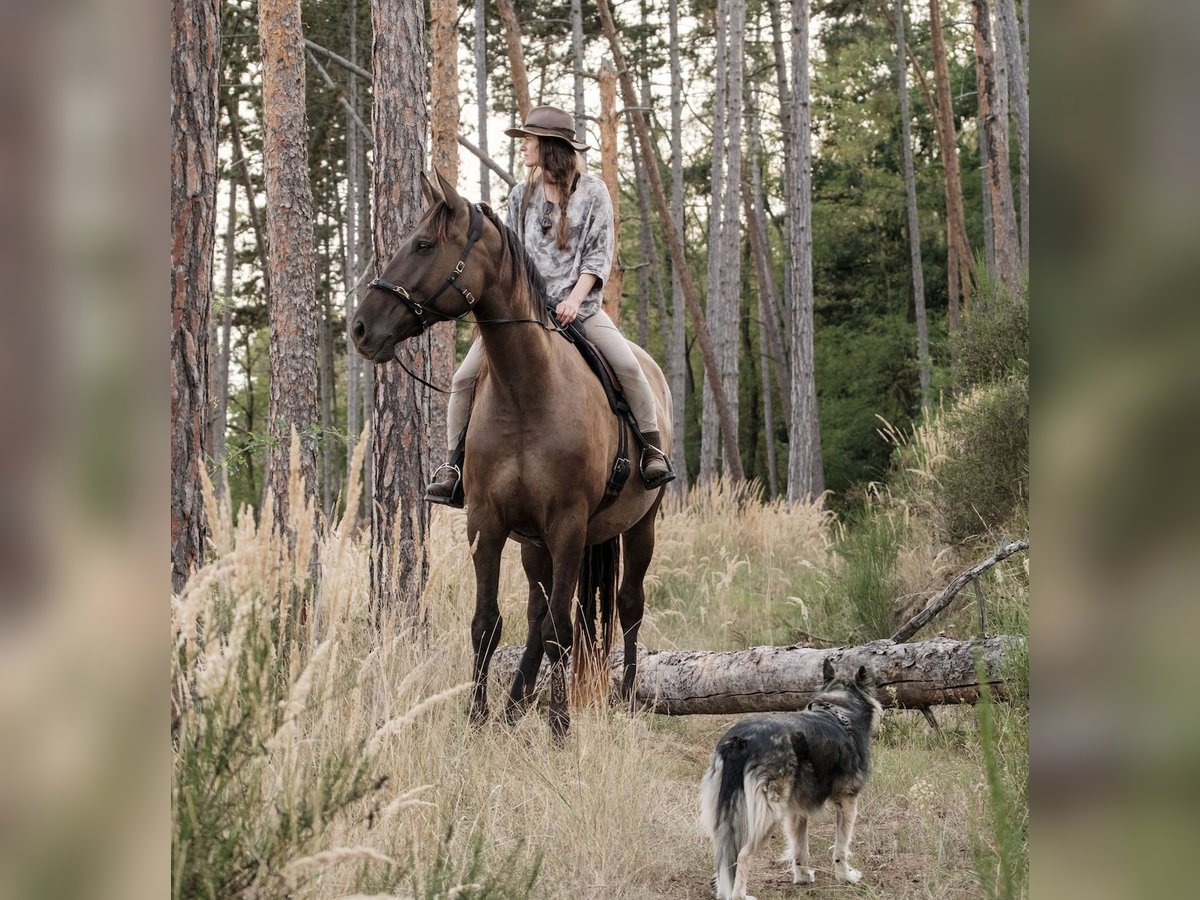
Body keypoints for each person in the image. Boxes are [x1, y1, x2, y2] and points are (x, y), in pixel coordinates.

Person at [426, 105, 674, 504]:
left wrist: (574, 300)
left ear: (550, 146)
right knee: (463, 379)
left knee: (628, 366)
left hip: (581, 308)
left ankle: (651, 449)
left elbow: (598, 256)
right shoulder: (520, 196)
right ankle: (453, 465)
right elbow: (510, 258)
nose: (523, 146)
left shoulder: (593, 193)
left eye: (529, 139)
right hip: (526, 312)